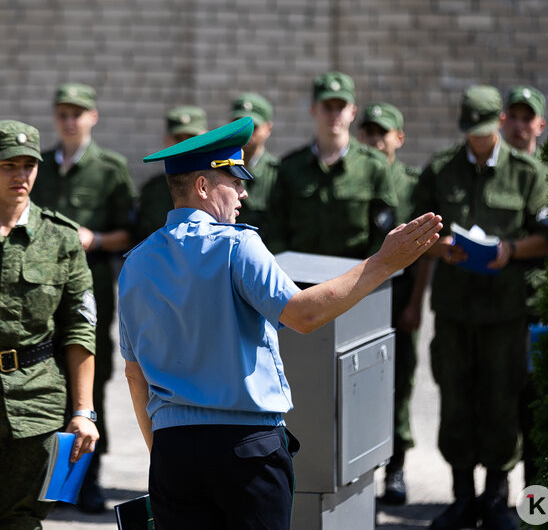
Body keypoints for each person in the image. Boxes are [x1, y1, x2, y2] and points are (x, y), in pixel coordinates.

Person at [118, 116, 443, 530]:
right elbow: (304, 314)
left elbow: (134, 374)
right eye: (234, 180)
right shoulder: (237, 245)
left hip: (172, 451)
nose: (243, 192)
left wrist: (164, 451)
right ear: (202, 187)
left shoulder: (136, 263)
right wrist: (382, 264)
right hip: (245, 452)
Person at [414, 85, 548, 530]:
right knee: (456, 401)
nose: (477, 140)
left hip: (504, 316)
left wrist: (510, 249)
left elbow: (547, 238)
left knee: (500, 404)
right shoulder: (440, 170)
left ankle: (496, 499)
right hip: (454, 313)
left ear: (498, 125)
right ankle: (462, 498)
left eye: (484, 131)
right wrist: (441, 248)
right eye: (469, 132)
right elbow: (416, 235)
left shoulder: (527, 174)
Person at [31, 82, 136, 513]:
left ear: (93, 117)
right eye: (63, 113)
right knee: (43, 388)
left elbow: (129, 234)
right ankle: (51, 485)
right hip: (38, 297)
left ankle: (87, 480)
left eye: (78, 113)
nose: (70, 121)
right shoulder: (39, 167)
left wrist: (95, 238)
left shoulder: (109, 169)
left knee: (87, 393)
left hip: (89, 295)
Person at [0, 119, 98, 529]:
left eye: (30, 165)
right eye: (9, 165)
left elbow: (80, 327)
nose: (22, 175)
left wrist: (83, 412)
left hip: (35, 403)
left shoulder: (61, 239)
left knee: (21, 520)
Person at [358, 102, 430, 505]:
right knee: (357, 385)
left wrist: (417, 302)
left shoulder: (413, 185)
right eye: (368, 132)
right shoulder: (358, 176)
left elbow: (423, 252)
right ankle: (360, 469)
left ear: (399, 138)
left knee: (398, 386)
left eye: (382, 133)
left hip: (397, 302)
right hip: (358, 301)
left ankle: (397, 468)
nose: (374, 140)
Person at [269, 71, 397, 257]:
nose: (334, 114)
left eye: (340, 107)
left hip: (356, 276)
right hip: (299, 277)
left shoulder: (373, 166)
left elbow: (385, 232)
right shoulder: (290, 167)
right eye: (327, 107)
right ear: (313, 109)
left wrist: (368, 273)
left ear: (352, 111)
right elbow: (275, 227)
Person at [503, 85, 548, 488]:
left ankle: (536, 500)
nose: (520, 126)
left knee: (537, 408)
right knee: (503, 408)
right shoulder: (496, 173)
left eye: (527, 118)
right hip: (499, 311)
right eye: (513, 117)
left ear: (541, 124)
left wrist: (509, 248)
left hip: (538, 311)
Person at [136, 105, 207, 242]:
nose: (185, 145)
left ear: (205, 137)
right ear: (167, 140)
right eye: (179, 138)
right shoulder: (152, 191)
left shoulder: (220, 185)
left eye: (191, 138)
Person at [229, 92, 278, 245]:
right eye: (239, 125)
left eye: (252, 127)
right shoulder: (218, 170)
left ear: (268, 129)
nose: (245, 133)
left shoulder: (278, 174)